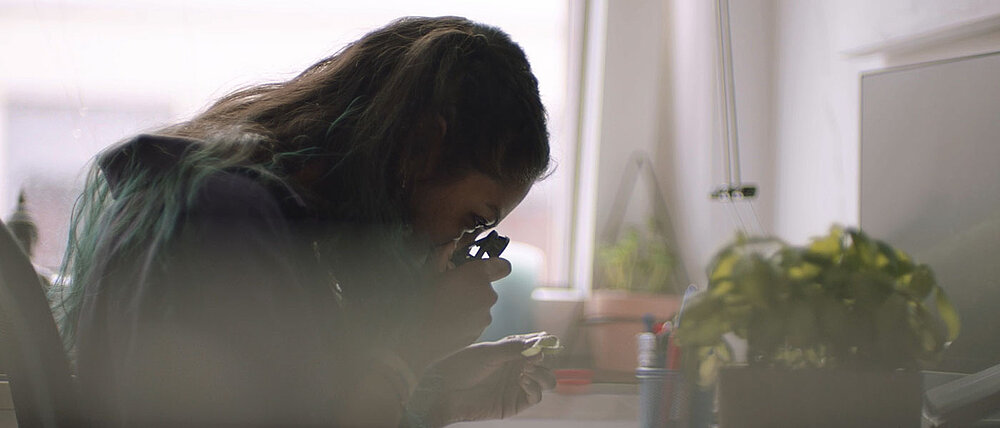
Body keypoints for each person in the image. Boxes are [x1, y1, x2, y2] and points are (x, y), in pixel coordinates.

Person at [56, 16, 555, 427]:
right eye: (470, 222)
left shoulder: (269, 225)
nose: (454, 250)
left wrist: (436, 395)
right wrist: (410, 352)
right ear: (422, 149)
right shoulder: (220, 224)